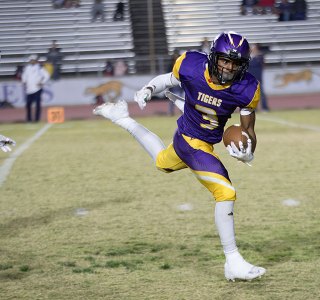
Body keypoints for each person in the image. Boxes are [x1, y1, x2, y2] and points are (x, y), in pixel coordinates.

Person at [93, 31, 266, 281]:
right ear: (212, 58)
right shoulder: (191, 65)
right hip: (190, 140)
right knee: (225, 192)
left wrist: (248, 153)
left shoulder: (247, 88)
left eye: (235, 63)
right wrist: (150, 87)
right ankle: (233, 261)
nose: (228, 68)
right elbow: (169, 79)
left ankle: (122, 119)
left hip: (201, 140)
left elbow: (248, 130)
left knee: (162, 162)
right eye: (224, 61)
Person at [21, 55, 50, 122]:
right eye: (31, 60)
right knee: (28, 105)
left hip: (37, 89)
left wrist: (42, 82)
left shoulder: (39, 68)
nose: (32, 61)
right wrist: (24, 82)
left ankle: (37, 119)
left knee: (37, 105)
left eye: (33, 60)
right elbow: (24, 76)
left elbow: (46, 76)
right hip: (29, 89)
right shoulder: (27, 68)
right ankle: (29, 119)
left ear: (36, 60)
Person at [248, 43, 269, 111]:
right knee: (252, 95)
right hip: (250, 79)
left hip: (258, 78)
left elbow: (261, 64)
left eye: (254, 48)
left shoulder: (259, 56)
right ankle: (254, 108)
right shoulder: (248, 57)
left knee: (261, 94)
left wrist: (256, 55)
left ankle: (265, 107)